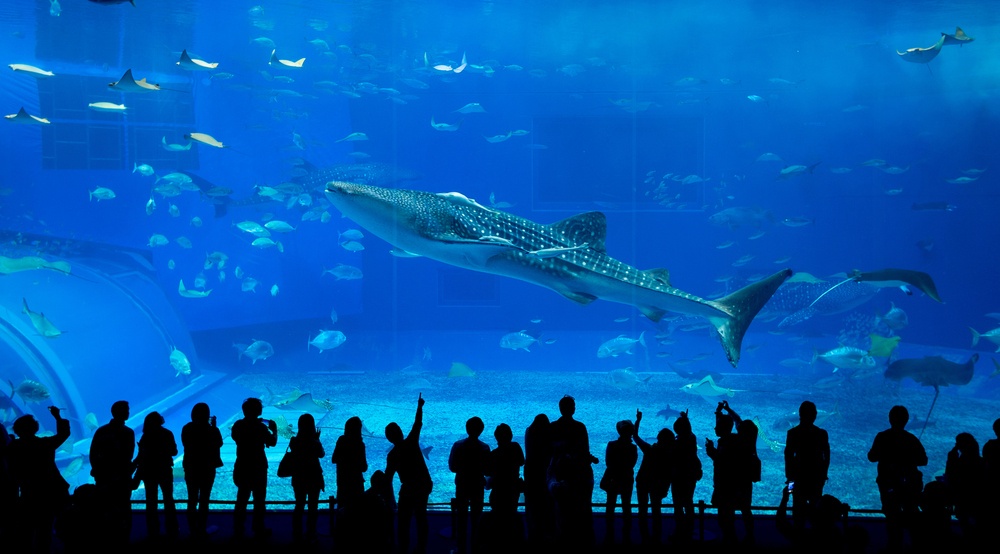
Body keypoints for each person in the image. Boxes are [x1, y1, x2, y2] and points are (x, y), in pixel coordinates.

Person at [7, 407, 70, 552]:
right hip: (48, 494)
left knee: (26, 531)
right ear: (35, 428)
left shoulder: (13, 447)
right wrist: (57, 417)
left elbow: (12, 473)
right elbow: (64, 433)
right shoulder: (44, 444)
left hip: (28, 494)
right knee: (45, 529)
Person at [867, 405, 927, 551]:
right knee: (912, 515)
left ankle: (894, 547)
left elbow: (871, 457)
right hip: (909, 485)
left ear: (889, 419)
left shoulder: (882, 437)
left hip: (888, 485)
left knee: (892, 517)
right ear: (906, 420)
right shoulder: (911, 439)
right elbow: (923, 460)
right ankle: (916, 546)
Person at [547, 395, 598, 550]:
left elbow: (549, 450)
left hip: (560, 474)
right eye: (573, 405)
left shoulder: (553, 426)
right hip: (578, 475)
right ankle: (582, 542)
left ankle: (562, 542)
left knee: (561, 511)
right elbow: (585, 450)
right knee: (581, 510)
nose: (574, 408)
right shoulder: (579, 427)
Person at [385, 393, 432, 554]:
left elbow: (388, 478)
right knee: (421, 517)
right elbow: (417, 423)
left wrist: (387, 497)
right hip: (423, 484)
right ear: (400, 433)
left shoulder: (392, 455)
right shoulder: (411, 441)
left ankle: (403, 548)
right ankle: (422, 548)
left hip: (409, 488)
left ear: (389, 439)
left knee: (403, 521)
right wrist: (419, 406)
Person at [89, 400, 136, 547]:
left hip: (103, 478)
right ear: (120, 412)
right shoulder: (128, 433)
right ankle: (123, 542)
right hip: (121, 480)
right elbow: (127, 457)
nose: (128, 412)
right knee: (123, 511)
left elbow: (93, 455)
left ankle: (106, 542)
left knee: (105, 510)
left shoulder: (101, 431)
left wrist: (98, 471)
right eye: (126, 409)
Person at [231, 397, 278, 538]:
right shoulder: (261, 427)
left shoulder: (238, 425)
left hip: (242, 466)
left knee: (241, 498)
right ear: (258, 410)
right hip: (258, 467)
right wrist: (274, 430)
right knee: (259, 500)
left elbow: (235, 437)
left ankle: (238, 528)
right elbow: (272, 442)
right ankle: (258, 527)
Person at [784, 400, 830, 530]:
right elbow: (826, 457)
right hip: (816, 478)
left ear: (800, 414)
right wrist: (823, 475)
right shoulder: (821, 434)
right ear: (815, 415)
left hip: (798, 477)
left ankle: (799, 539)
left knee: (798, 510)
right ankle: (816, 539)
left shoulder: (792, 433)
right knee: (816, 508)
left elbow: (788, 457)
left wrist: (789, 478)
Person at [449, 416, 490, 554]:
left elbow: (452, 467)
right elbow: (487, 469)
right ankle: (476, 547)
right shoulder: (485, 448)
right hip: (477, 485)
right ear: (481, 430)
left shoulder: (458, 445)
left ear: (466, 429)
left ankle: (461, 548)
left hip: (462, 484)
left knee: (461, 517)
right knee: (476, 517)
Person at [181, 402, 223, 539]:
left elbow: (185, 443)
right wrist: (213, 426)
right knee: (204, 499)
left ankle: (192, 529)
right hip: (207, 468)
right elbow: (219, 443)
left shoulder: (187, 428)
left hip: (191, 467)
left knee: (192, 498)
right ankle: (202, 528)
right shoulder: (212, 430)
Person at [134, 411, 178, 539]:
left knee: (151, 501)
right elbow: (174, 451)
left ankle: (153, 530)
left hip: (149, 471)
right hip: (164, 469)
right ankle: (172, 528)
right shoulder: (167, 433)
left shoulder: (145, 436)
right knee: (168, 499)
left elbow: (142, 455)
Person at [633, 409, 672, 546]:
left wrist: (638, 420)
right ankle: (657, 539)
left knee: (642, 511)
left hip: (643, 483)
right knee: (657, 511)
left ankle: (644, 538)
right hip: (658, 485)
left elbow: (635, 436)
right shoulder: (669, 456)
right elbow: (669, 475)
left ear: (659, 439)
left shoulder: (650, 449)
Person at [484, 422, 525, 552]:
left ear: (496, 437)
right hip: (512, 488)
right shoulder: (516, 447)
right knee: (511, 514)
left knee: (498, 516)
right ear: (511, 435)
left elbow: (487, 472)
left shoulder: (493, 454)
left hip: (498, 490)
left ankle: (497, 543)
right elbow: (522, 461)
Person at [705, 402, 740, 544]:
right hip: (730, 484)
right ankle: (730, 537)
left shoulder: (726, 444)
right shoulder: (733, 439)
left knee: (724, 516)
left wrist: (710, 451)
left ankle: (729, 539)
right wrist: (720, 412)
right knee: (728, 514)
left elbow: (721, 462)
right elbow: (735, 422)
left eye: (717, 426)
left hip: (724, 485)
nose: (715, 427)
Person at [601, 418, 637, 546]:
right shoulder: (633, 448)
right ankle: (626, 535)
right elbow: (632, 464)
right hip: (626, 479)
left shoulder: (612, 445)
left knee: (610, 505)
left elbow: (608, 462)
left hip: (613, 478)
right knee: (626, 506)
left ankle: (609, 533)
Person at [289, 413, 325, 544]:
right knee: (313, 506)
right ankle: (311, 532)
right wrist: (317, 439)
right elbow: (321, 454)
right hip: (313, 477)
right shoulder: (314, 442)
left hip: (299, 477)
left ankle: (296, 533)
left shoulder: (294, 441)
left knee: (299, 505)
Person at [944, 432, 986, 541]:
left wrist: (951, 460)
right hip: (979, 500)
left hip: (962, 499)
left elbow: (950, 477)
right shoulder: (982, 462)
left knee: (965, 525)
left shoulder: (958, 463)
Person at [671, 410, 702, 545]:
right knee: (688, 501)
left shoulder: (677, 443)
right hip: (691, 475)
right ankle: (689, 528)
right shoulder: (692, 438)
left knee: (678, 504)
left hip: (679, 476)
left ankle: (680, 530)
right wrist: (685, 418)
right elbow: (688, 430)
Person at [523, 413, 553, 547]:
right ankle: (546, 536)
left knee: (532, 507)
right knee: (546, 506)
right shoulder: (545, 438)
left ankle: (533, 536)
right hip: (544, 475)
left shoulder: (529, 432)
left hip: (531, 475)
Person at [332, 415, 368, 513]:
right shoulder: (360, 444)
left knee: (342, 511)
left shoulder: (341, 440)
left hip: (343, 482)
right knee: (356, 511)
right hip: (356, 483)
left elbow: (334, 459)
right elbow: (364, 467)